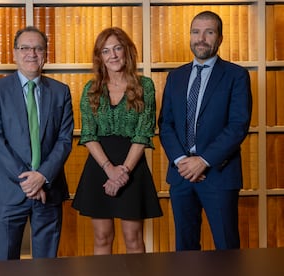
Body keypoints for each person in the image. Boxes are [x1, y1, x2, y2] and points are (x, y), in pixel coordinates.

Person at [158, 11, 252, 251]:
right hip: (181, 176)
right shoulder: (175, 77)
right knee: (185, 249)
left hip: (219, 175)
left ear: (219, 38)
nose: (201, 38)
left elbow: (237, 125)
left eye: (209, 32)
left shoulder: (236, 76)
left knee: (226, 247)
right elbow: (165, 124)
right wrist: (182, 161)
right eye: (196, 32)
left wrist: (203, 161)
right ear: (190, 36)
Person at [0, 26, 74, 260]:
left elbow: (64, 140)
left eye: (38, 48)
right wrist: (28, 180)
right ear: (14, 53)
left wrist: (42, 176)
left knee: (46, 263)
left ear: (46, 54)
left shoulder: (61, 92)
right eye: (25, 48)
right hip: (9, 189)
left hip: (49, 188)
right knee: (5, 261)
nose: (31, 53)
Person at [72, 27, 162, 255]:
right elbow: (89, 135)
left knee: (133, 238)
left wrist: (122, 173)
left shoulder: (145, 86)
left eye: (117, 48)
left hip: (132, 167)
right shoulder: (91, 90)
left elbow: (143, 133)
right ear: (99, 57)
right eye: (105, 51)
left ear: (127, 51)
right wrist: (109, 169)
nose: (112, 55)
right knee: (102, 237)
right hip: (99, 166)